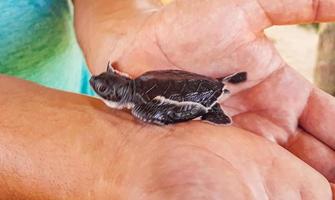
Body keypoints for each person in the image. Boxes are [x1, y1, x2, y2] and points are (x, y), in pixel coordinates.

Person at [0, 0, 334, 199]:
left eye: (106, 83)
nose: (100, 83)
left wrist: (125, 33)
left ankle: (215, 101)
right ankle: (215, 100)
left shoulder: (141, 98)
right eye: (105, 85)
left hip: (108, 100)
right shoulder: (140, 103)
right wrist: (107, 151)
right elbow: (155, 113)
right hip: (79, 132)